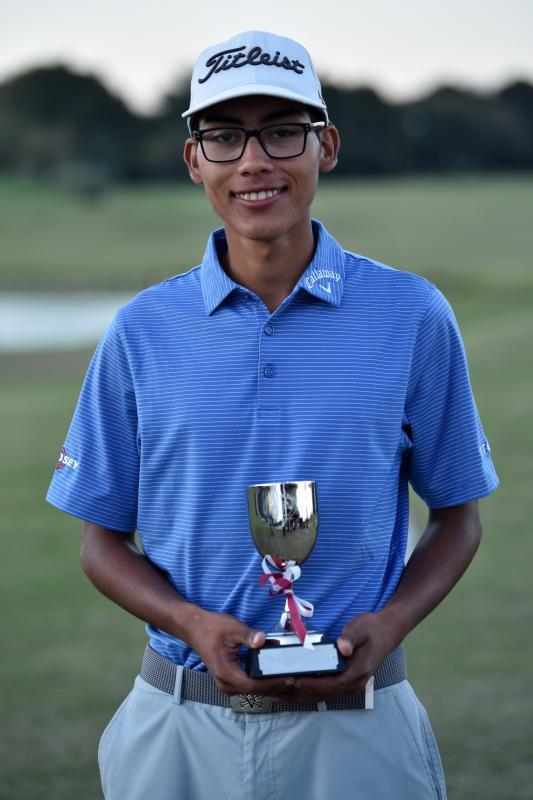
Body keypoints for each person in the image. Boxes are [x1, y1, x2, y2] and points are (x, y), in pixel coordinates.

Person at [47, 30, 499, 800]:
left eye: (280, 131)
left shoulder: (411, 314)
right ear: (195, 161)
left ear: (324, 145)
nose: (253, 160)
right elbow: (100, 543)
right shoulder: (142, 329)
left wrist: (388, 624)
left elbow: (457, 516)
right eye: (223, 136)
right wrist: (190, 622)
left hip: (360, 726)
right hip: (180, 724)